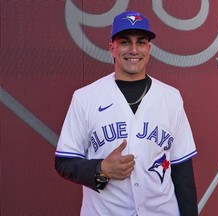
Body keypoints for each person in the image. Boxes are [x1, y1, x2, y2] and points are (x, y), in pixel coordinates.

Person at [55, 10, 198, 216]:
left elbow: (182, 169)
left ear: (148, 49)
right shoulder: (85, 98)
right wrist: (101, 169)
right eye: (124, 42)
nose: (133, 49)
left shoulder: (171, 97)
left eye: (140, 42)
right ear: (112, 49)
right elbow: (64, 162)